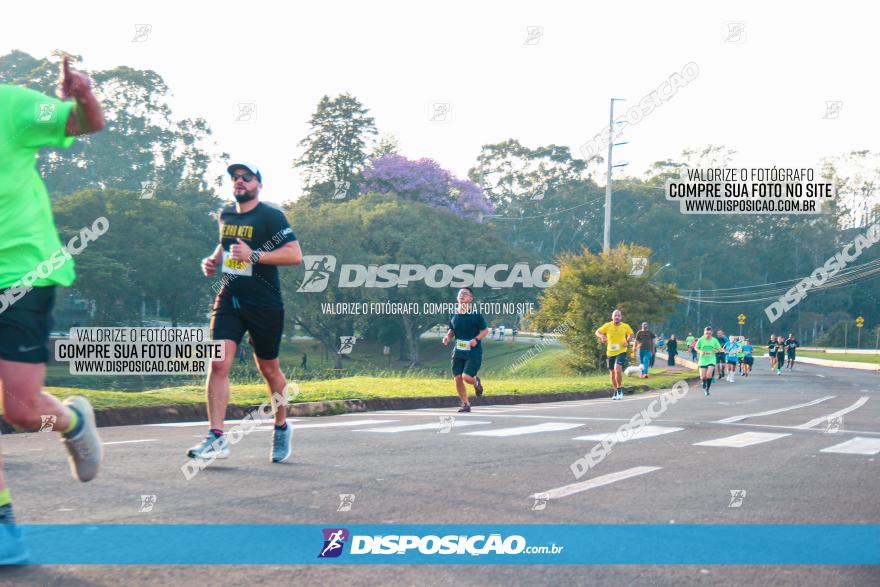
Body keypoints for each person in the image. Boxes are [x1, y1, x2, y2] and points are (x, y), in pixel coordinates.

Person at [0, 56, 106, 564]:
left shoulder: (12, 105)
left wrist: (82, 95)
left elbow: (87, 124)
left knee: (21, 412)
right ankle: (5, 527)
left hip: (23, 274)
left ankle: (70, 423)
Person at [188, 162, 303, 464]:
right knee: (218, 362)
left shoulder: (271, 216)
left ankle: (280, 426)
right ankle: (216, 437)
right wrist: (213, 260)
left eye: (245, 178)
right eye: (234, 178)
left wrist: (255, 255)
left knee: (269, 370)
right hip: (229, 298)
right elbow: (226, 243)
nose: (239, 182)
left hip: (264, 304)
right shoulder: (225, 214)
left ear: (258, 184)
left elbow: (294, 255)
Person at [442, 287, 488, 412]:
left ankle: (476, 382)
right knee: (457, 378)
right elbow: (452, 330)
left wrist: (476, 339)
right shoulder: (453, 313)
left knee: (466, 377)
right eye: (460, 293)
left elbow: (485, 331)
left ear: (471, 298)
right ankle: (466, 404)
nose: (462, 295)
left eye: (465, 294)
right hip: (458, 351)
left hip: (473, 351)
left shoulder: (476, 315)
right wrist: (447, 337)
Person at [595, 309, 634, 400]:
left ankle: (620, 389)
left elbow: (631, 334)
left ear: (621, 317)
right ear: (612, 317)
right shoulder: (607, 325)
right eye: (615, 315)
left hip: (621, 351)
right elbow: (597, 332)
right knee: (612, 372)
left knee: (617, 369)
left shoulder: (625, 326)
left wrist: (627, 341)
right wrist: (602, 336)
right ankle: (615, 390)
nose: (617, 317)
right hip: (610, 352)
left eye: (618, 315)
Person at [695, 326, 722, 395]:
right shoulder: (701, 340)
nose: (708, 335)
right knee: (702, 376)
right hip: (703, 359)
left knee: (709, 374)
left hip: (711, 359)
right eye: (706, 333)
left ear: (712, 333)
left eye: (709, 333)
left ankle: (707, 389)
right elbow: (696, 348)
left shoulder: (714, 340)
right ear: (704, 333)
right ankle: (704, 382)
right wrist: (700, 351)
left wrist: (716, 350)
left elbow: (719, 349)